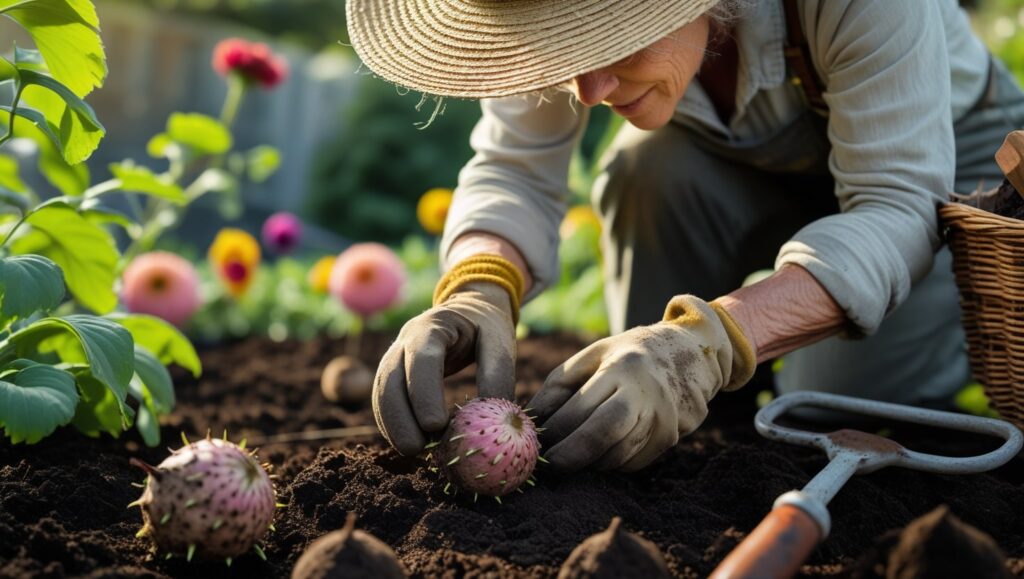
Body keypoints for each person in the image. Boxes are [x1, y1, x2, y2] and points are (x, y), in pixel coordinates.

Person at [347, 0, 1024, 472]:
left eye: (611, 36)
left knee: (818, 414)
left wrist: (708, 342)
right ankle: (668, 427)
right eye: (568, 50)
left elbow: (893, 204)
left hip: (936, 167)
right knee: (650, 171)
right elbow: (514, 169)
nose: (587, 90)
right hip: (745, 159)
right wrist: (477, 288)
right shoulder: (555, 22)